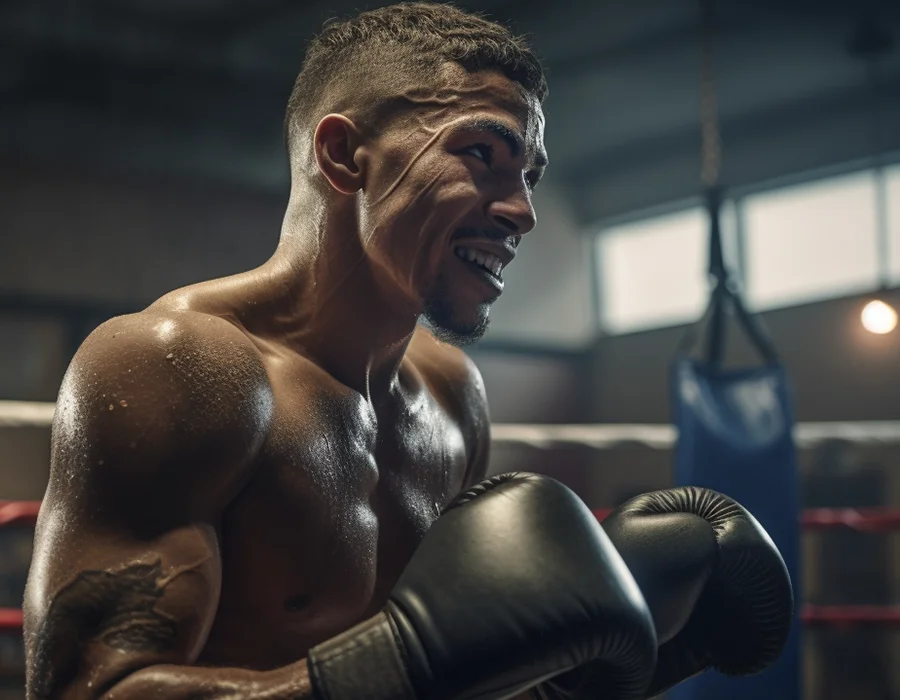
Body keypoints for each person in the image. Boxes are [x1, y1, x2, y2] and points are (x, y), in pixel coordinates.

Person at [23, 4, 661, 699]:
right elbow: (88, 692)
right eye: (482, 155)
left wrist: (616, 666)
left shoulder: (450, 395)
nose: (522, 212)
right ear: (343, 155)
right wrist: (401, 664)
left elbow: (461, 674)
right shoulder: (181, 367)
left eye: (529, 177)